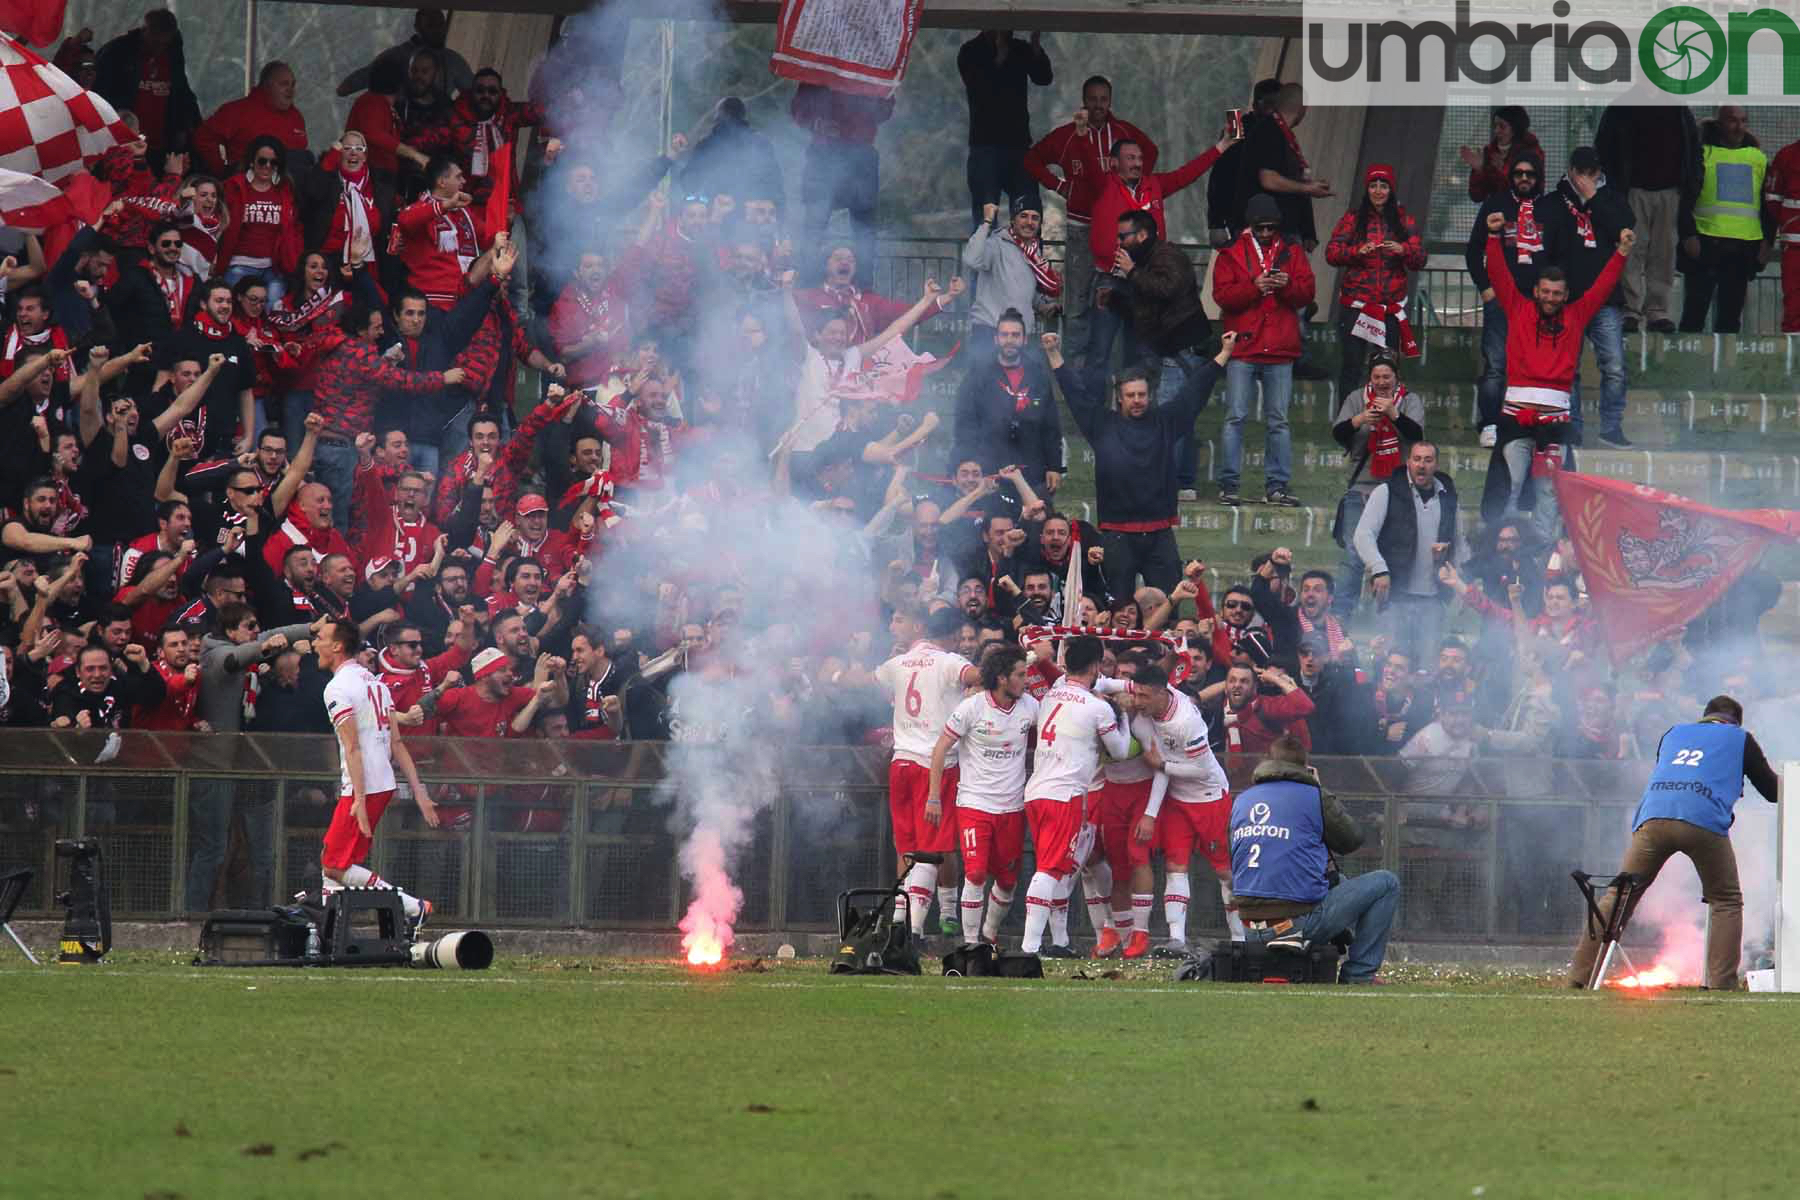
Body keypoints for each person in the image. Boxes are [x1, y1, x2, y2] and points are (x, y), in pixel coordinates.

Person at [1569, 695, 1777, 991]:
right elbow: (1771, 790)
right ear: (1736, 721)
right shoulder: (1739, 738)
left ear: (1705, 716)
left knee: (1618, 896)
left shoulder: (1673, 733)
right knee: (1725, 899)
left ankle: (1579, 977)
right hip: (1703, 820)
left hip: (1653, 818)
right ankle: (1721, 984)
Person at [1047, 329, 1235, 597]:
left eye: (1141, 395)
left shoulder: (1166, 422)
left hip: (1160, 535)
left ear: (1149, 395)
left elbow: (1194, 393)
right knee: (1118, 608)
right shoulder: (1102, 425)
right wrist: (1054, 354)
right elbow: (1076, 396)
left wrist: (1225, 353)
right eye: (1131, 395)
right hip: (1117, 536)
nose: (1137, 401)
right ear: (1120, 398)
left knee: (1168, 606)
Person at [1478, 212, 1633, 520]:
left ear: (1565, 295)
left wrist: (1622, 253)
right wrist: (1494, 238)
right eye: (1545, 292)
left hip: (1556, 422)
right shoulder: (1518, 307)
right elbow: (1498, 274)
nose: (1550, 298)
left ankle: (1547, 561)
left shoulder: (1576, 315)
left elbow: (1603, 285)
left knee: (1550, 494)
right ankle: (1502, 557)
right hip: (1515, 419)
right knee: (1508, 489)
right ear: (1536, 291)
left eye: (1556, 294)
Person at [1232, 734, 1399, 984]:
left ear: (1267, 761)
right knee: (1387, 883)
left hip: (1248, 928)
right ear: (1305, 767)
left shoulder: (1242, 800)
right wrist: (1320, 789)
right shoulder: (1313, 795)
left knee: (1337, 881)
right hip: (1296, 923)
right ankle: (1359, 975)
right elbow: (1351, 840)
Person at [315, 614, 438, 923]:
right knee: (339, 859)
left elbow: (353, 746)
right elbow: (397, 745)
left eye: (321, 639)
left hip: (363, 785)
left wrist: (357, 797)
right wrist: (420, 793)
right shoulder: (376, 684)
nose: (315, 643)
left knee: (333, 865)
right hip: (381, 783)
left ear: (338, 647)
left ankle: (412, 907)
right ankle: (330, 926)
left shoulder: (337, 687)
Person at [1023, 76, 1157, 357]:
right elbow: (1031, 159)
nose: (1098, 105)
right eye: (1093, 99)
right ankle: (1073, 372)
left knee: (1116, 303)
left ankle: (1114, 374)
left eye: (1103, 99)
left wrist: (1134, 188)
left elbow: (1151, 152)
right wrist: (1059, 185)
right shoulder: (1067, 135)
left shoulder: (1123, 131)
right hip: (1080, 226)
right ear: (1084, 101)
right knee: (1077, 304)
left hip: (1116, 232)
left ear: (1110, 102)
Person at [1019, 635, 1132, 956]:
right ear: (1097, 665)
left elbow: (1090, 684)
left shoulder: (1053, 693)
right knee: (1051, 871)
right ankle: (1029, 949)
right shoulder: (1099, 708)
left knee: (1054, 867)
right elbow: (1121, 752)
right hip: (1065, 796)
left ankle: (1060, 942)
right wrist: (1120, 715)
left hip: (1036, 791)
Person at [873, 607, 981, 940]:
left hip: (900, 762)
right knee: (932, 848)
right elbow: (975, 676)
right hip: (932, 764)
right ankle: (914, 929)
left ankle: (900, 917)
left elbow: (874, 681)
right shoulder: (949, 661)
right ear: (950, 636)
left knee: (905, 846)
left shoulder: (899, 661)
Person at [1086, 132, 1231, 367]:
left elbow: (1187, 174)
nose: (1137, 163)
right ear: (1114, 163)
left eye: (1140, 158)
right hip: (1111, 280)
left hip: (1145, 282)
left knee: (1138, 353)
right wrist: (1083, 134)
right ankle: (1092, 404)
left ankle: (1135, 402)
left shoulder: (1154, 184)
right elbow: (1086, 165)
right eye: (1130, 158)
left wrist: (1222, 146)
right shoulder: (1103, 184)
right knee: (1100, 352)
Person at [1122, 662, 1236, 955]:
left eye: (1144, 697)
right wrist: (1151, 812)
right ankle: (1177, 940)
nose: (1137, 702)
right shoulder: (1144, 717)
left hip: (1209, 796)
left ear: (1163, 693)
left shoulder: (1187, 721)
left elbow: (1200, 769)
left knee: (1225, 871)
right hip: (1177, 800)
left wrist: (1163, 765)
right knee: (1175, 866)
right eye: (1135, 695)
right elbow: (1161, 768)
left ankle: (1240, 940)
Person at [928, 643, 1037, 948]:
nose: (1025, 680)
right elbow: (940, 750)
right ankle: (971, 944)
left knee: (1007, 881)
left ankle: (989, 935)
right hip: (975, 805)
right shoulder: (972, 708)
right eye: (1019, 674)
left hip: (1013, 808)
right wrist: (933, 797)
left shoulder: (1030, 707)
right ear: (1002, 678)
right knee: (975, 874)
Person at [1212, 192, 1315, 507]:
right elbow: (1222, 296)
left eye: (1272, 228)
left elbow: (1307, 292)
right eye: (1261, 228)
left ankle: (1277, 487)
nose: (1267, 234)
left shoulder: (1293, 252)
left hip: (1280, 349)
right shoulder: (1230, 253)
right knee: (1235, 417)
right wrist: (1253, 287)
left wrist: (1287, 286)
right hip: (1244, 347)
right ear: (1251, 226)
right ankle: (1229, 486)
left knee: (1279, 421)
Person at [1108, 208, 1213, 499]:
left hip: (1181, 352)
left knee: (1171, 417)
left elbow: (1167, 289)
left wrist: (1131, 272)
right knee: (1174, 417)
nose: (1120, 242)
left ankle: (1173, 484)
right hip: (1163, 353)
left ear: (1142, 235)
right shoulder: (1144, 262)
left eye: (1124, 236)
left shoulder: (1168, 256)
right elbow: (1147, 308)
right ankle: (1183, 482)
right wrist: (1116, 299)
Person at [1550, 147, 1635, 449]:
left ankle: (1611, 427)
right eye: (1581, 172)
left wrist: (1594, 198)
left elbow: (1624, 228)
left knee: (1614, 366)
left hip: (1605, 300)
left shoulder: (1611, 198)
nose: (1586, 178)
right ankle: (1571, 428)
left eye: (1592, 173)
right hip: (1567, 300)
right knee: (1567, 368)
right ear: (1570, 170)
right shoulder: (1554, 201)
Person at [1465, 149, 1549, 448]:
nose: (1524, 178)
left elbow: (1560, 253)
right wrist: (1486, 288)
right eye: (1518, 173)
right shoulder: (1496, 203)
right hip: (1501, 298)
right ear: (1511, 176)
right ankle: (1489, 423)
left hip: (1539, 303)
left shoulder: (1549, 208)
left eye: (1530, 174)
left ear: (1539, 178)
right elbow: (1473, 251)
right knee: (1496, 364)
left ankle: (1529, 424)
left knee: (1534, 365)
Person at [1594, 101, 1700, 333]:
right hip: (1632, 190)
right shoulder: (1621, 107)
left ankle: (1657, 311)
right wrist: (1612, 191)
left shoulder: (1678, 109)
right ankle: (1630, 310)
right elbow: (1604, 149)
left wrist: (1690, 188)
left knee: (1664, 252)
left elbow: (1693, 151)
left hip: (1670, 191)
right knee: (1631, 250)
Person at [1324, 163, 1425, 406]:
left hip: (1389, 308)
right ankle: (1348, 424)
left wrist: (1404, 249)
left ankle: (1387, 424)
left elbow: (1420, 258)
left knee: (1387, 370)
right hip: (1357, 306)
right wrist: (1357, 251)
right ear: (1366, 189)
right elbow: (1331, 253)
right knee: (1352, 365)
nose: (1378, 191)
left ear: (1391, 190)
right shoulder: (1352, 219)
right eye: (1373, 185)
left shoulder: (1403, 220)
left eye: (1383, 186)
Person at [1330, 354, 1422, 619]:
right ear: (1370, 378)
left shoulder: (1410, 400)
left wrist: (1394, 414)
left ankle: (1388, 620)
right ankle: (1339, 618)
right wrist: (1359, 420)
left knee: (1394, 554)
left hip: (1398, 489)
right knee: (1353, 554)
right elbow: (1339, 434)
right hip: (1361, 486)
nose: (1382, 382)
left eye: (1387, 377)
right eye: (1377, 377)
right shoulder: (1357, 398)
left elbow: (1417, 436)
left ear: (1396, 378)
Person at [1352, 441, 1459, 665]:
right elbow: (1362, 535)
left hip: (1433, 599)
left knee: (1427, 668)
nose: (1422, 465)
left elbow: (1459, 540)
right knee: (1390, 665)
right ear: (1408, 462)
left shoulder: (1448, 496)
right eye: (1417, 459)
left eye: (1428, 460)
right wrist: (1379, 569)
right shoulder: (1387, 491)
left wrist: (1459, 579)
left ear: (1436, 464)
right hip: (1395, 598)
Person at [1679, 106, 1771, 334]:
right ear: (1719, 124)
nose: (1739, 127)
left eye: (1743, 121)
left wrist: (1767, 242)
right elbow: (1685, 199)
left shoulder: (1757, 159)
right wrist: (1689, 235)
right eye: (1732, 121)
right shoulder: (1702, 155)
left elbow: (1768, 205)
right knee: (1694, 314)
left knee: (1730, 319)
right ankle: (1687, 365)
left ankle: (1728, 367)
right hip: (1706, 244)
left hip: (1743, 247)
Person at [951, 308, 1062, 495]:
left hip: (1032, 468)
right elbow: (964, 424)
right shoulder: (978, 375)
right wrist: (972, 467)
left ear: (1024, 339)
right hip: (989, 467)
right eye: (1004, 335)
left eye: (1015, 335)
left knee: (1034, 520)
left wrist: (1054, 466)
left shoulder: (1038, 375)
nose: (1009, 340)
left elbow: (1051, 425)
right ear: (996, 339)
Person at [791, 84, 893, 286]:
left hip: (827, 152)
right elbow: (884, 110)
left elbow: (798, 111)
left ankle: (809, 287)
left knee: (815, 228)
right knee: (862, 231)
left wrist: (816, 121)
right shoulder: (870, 69)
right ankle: (863, 289)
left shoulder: (819, 69)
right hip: (858, 153)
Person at [956, 30, 1052, 227]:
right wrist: (1000, 56)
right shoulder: (970, 51)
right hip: (985, 147)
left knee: (1029, 212)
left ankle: (1028, 257)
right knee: (985, 219)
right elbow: (979, 89)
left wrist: (1035, 46)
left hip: (1018, 145)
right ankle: (985, 257)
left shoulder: (1020, 48)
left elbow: (1044, 77)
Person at [94, 9, 201, 161]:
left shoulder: (173, 54)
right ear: (144, 31)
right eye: (155, 42)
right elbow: (99, 97)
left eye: (165, 44)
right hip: (125, 145)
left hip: (163, 145)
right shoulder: (116, 53)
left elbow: (181, 93)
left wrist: (183, 127)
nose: (159, 48)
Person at [962, 196, 1059, 357]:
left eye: (1035, 218)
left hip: (1019, 336)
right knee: (981, 381)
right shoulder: (996, 244)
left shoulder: (1034, 253)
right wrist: (987, 222)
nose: (1029, 222)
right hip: (989, 333)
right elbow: (971, 259)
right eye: (1024, 216)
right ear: (1013, 220)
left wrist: (1043, 305)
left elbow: (1022, 289)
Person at [193, 61, 308, 177]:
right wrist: (220, 171)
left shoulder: (296, 117)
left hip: (289, 189)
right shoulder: (238, 111)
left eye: (293, 85)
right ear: (266, 86)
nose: (291, 90)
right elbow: (204, 136)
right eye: (284, 84)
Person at [337, 8, 475, 102]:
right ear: (417, 27)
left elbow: (474, 92)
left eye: (440, 24)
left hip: (437, 132)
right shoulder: (396, 56)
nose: (438, 30)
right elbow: (353, 83)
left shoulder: (453, 60)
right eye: (431, 25)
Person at [1460, 106, 1541, 204]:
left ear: (1515, 129)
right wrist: (1478, 171)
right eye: (1495, 126)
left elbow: (1527, 193)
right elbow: (1476, 197)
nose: (1496, 130)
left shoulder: (1532, 152)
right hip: (1495, 214)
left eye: (1502, 126)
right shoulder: (1490, 152)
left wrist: (1503, 170)